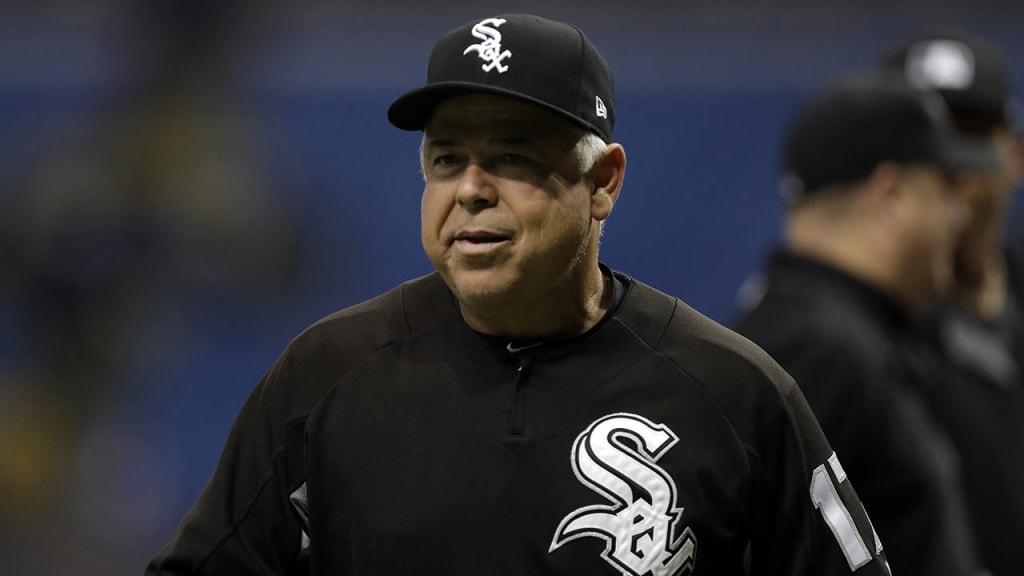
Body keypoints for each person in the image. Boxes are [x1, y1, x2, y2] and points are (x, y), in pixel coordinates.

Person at [147, 14, 891, 575]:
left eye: (512, 156)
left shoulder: (734, 393)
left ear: (604, 183)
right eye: (446, 159)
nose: (471, 190)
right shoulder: (327, 376)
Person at [733, 70, 1000, 576]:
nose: (960, 216)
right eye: (946, 188)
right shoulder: (820, 348)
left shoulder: (833, 325)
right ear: (890, 196)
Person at [881, 30, 1024, 576]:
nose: (950, 165)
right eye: (919, 137)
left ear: (1015, 154)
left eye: (969, 135)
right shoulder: (854, 344)